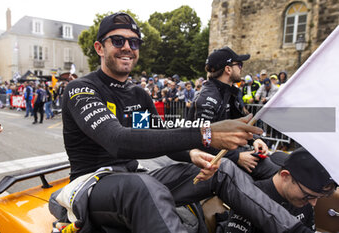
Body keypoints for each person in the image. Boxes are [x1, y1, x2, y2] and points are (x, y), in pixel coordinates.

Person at [49, 12, 314, 233]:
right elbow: (118, 141)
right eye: (118, 40)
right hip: (91, 185)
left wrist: (192, 153)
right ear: (99, 47)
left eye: (135, 42)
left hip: (133, 177)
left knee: (220, 168)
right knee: (144, 186)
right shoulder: (80, 89)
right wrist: (205, 135)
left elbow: (155, 136)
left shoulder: (138, 94)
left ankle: (294, 230)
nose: (128, 47)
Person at [188, 47, 271, 175]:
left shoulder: (230, 93)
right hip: (214, 164)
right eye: (239, 64)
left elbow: (240, 124)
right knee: (273, 172)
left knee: (279, 163)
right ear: (228, 69)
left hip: (232, 154)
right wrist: (237, 157)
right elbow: (202, 140)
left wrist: (255, 140)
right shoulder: (207, 98)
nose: (241, 68)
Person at [223, 147, 337, 233]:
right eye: (308, 195)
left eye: (318, 197)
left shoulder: (305, 201)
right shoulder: (248, 198)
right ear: (285, 176)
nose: (313, 202)